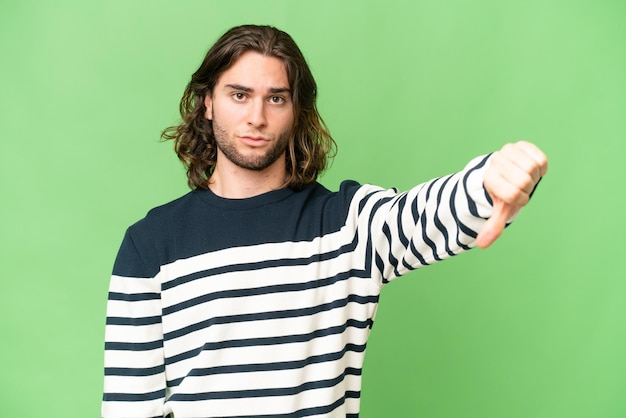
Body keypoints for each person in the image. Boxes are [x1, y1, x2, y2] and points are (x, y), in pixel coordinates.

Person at [102, 24, 548, 418]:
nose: (257, 117)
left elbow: (425, 213)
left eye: (276, 98)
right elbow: (128, 406)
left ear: (297, 112)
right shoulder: (150, 246)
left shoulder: (349, 226)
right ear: (208, 103)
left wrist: (491, 179)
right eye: (239, 95)